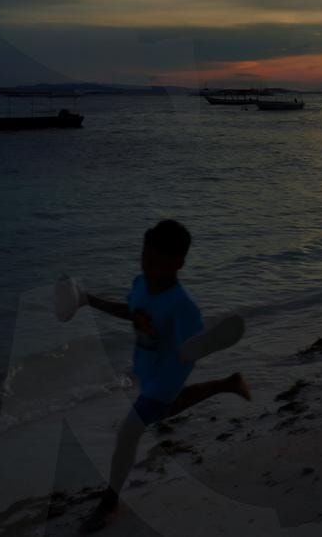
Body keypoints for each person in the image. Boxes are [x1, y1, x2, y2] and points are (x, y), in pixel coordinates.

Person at [80, 220, 250, 533]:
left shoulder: (182, 306)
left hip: (169, 373)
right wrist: (90, 300)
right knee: (166, 411)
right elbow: (130, 311)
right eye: (145, 259)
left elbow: (188, 350)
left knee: (128, 434)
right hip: (148, 369)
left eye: (158, 262)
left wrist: (195, 349)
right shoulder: (140, 284)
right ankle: (229, 383)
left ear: (178, 264)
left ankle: (110, 501)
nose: (149, 267)